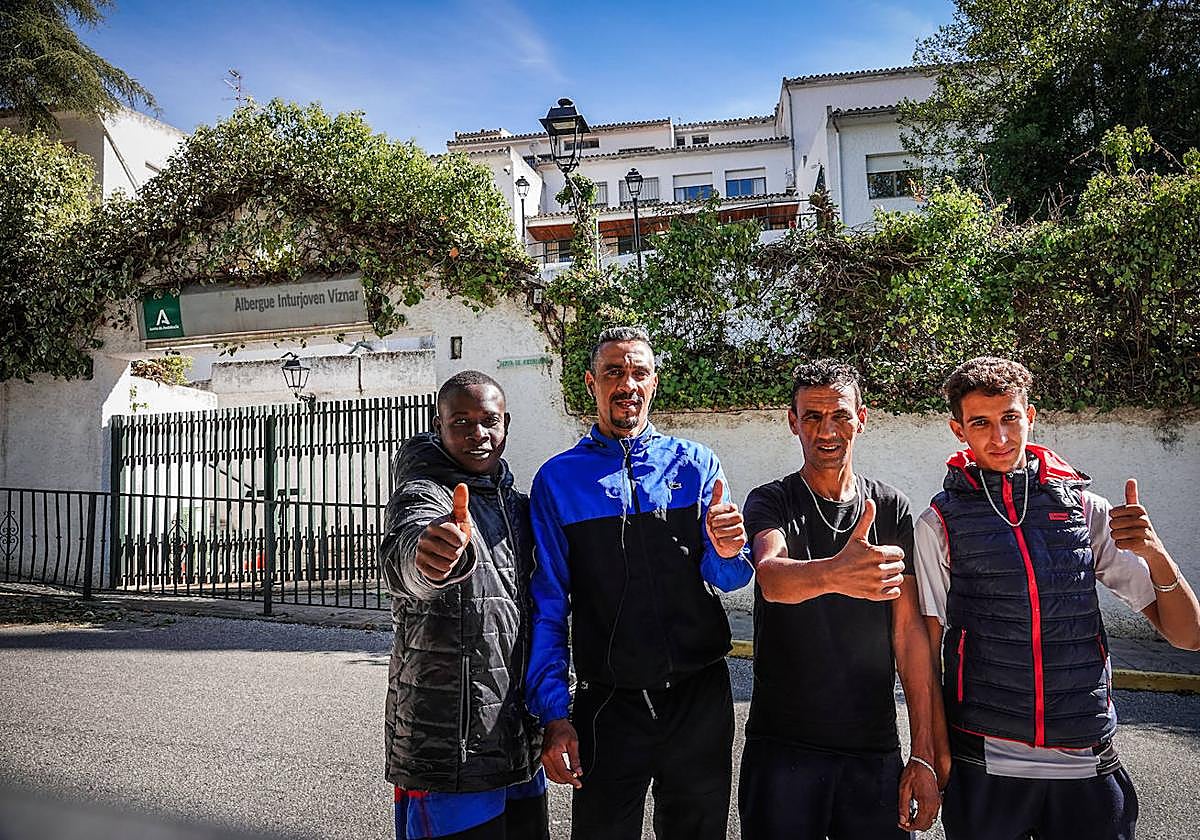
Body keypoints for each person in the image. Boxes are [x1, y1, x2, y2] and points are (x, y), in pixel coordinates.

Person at [915, 356, 1200, 840]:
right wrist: (928, 753)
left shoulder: (1086, 511)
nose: (999, 438)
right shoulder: (938, 523)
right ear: (957, 429)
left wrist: (1155, 554)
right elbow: (925, 653)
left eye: (1010, 418)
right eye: (980, 423)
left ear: (1032, 416)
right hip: (985, 762)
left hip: (1085, 759)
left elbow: (1188, 636)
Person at [526, 325, 753, 840]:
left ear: (654, 382)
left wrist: (726, 549)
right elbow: (547, 604)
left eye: (639, 372)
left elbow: (730, 577)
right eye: (614, 372)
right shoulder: (558, 479)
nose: (627, 383)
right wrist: (554, 714)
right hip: (609, 701)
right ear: (591, 383)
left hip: (698, 696)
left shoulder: (696, 464)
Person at [737, 359, 946, 840]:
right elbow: (771, 578)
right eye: (812, 416)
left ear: (862, 418)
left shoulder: (889, 506)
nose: (826, 430)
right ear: (793, 422)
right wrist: (836, 573)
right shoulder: (772, 500)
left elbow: (909, 637)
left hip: (871, 749)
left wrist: (924, 754)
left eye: (840, 416)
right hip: (782, 747)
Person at [378, 370, 548, 840]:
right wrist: (430, 556)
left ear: (506, 424)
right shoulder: (425, 493)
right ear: (438, 427)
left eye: (489, 420)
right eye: (461, 422)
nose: (478, 433)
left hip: (517, 743)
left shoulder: (519, 506)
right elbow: (406, 553)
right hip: (449, 752)